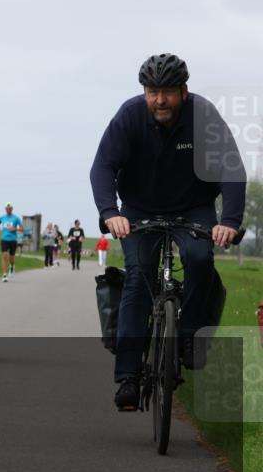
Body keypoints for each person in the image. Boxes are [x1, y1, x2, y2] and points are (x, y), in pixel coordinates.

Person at [90, 53, 245, 411]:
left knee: (199, 258)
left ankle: (189, 337)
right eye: (152, 91)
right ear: (145, 92)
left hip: (194, 206)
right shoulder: (129, 116)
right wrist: (110, 212)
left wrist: (230, 221)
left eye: (168, 92)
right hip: (139, 209)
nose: (160, 100)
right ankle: (128, 377)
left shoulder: (203, 117)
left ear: (184, 92)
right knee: (139, 277)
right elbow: (102, 166)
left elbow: (231, 167)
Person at [0, 203, 23, 281]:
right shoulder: (2, 217)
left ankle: (12, 266)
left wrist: (14, 229)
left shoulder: (16, 218)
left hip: (13, 240)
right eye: (7, 208)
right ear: (5, 209)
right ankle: (4, 275)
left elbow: (22, 229)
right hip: (4, 239)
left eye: (10, 208)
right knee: (4, 255)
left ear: (12, 209)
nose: (8, 210)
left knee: (12, 257)